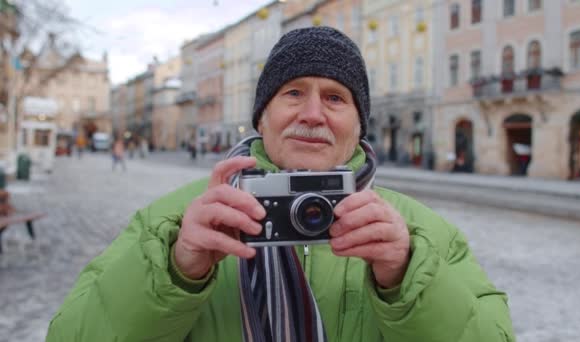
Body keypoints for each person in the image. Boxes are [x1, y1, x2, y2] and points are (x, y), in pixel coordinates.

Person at [47, 27, 514, 341]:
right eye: (293, 93)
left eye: (335, 97)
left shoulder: (416, 232)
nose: (312, 115)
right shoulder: (176, 221)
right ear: (262, 116)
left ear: (358, 122)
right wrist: (175, 270)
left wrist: (407, 277)